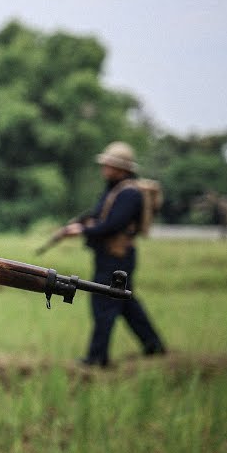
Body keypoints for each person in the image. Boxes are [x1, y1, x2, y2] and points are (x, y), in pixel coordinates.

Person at [63, 141, 167, 367]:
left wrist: (82, 230)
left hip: (116, 258)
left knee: (104, 303)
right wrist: (79, 224)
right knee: (126, 304)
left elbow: (112, 225)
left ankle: (97, 358)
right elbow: (99, 216)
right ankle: (153, 345)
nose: (104, 169)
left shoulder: (129, 194)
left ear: (121, 168)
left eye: (108, 165)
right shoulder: (114, 191)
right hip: (109, 256)